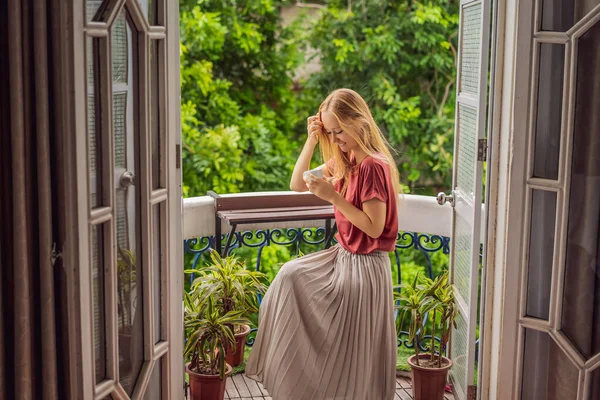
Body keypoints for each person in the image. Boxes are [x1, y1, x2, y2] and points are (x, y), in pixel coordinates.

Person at [245, 88, 400, 399]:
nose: (336, 138)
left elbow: (374, 227)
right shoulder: (345, 159)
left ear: (359, 121)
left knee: (348, 352)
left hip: (365, 266)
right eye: (331, 131)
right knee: (289, 276)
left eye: (339, 130)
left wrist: (333, 197)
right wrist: (312, 139)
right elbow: (296, 182)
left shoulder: (372, 165)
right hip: (342, 257)